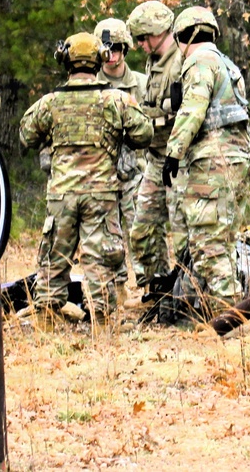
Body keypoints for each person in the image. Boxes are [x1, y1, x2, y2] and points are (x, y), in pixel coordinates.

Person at [19, 32, 153, 323]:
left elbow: (26, 135)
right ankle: (103, 324)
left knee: (54, 257)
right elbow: (145, 134)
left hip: (62, 194)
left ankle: (46, 319)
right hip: (101, 195)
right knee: (99, 259)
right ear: (100, 61)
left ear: (65, 61)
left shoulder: (49, 103)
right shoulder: (117, 100)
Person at [162, 6, 250, 320]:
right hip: (238, 157)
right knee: (225, 239)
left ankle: (225, 320)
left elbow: (193, 110)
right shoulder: (228, 65)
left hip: (213, 162)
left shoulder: (199, 62)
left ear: (183, 37)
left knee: (209, 241)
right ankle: (231, 312)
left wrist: (173, 152)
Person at [125, 0, 187, 298]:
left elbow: (189, 110)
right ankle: (157, 288)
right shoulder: (154, 62)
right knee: (143, 230)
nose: (139, 44)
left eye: (142, 38)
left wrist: (154, 115)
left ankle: (190, 292)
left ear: (157, 31)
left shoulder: (182, 60)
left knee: (184, 231)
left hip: (180, 159)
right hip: (155, 157)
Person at [93, 18, 149, 302]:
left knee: (141, 231)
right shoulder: (88, 86)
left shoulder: (141, 83)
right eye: (105, 48)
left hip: (136, 172)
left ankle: (149, 288)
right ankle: (116, 289)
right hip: (101, 174)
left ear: (125, 48)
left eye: (116, 47)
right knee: (107, 237)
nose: (111, 54)